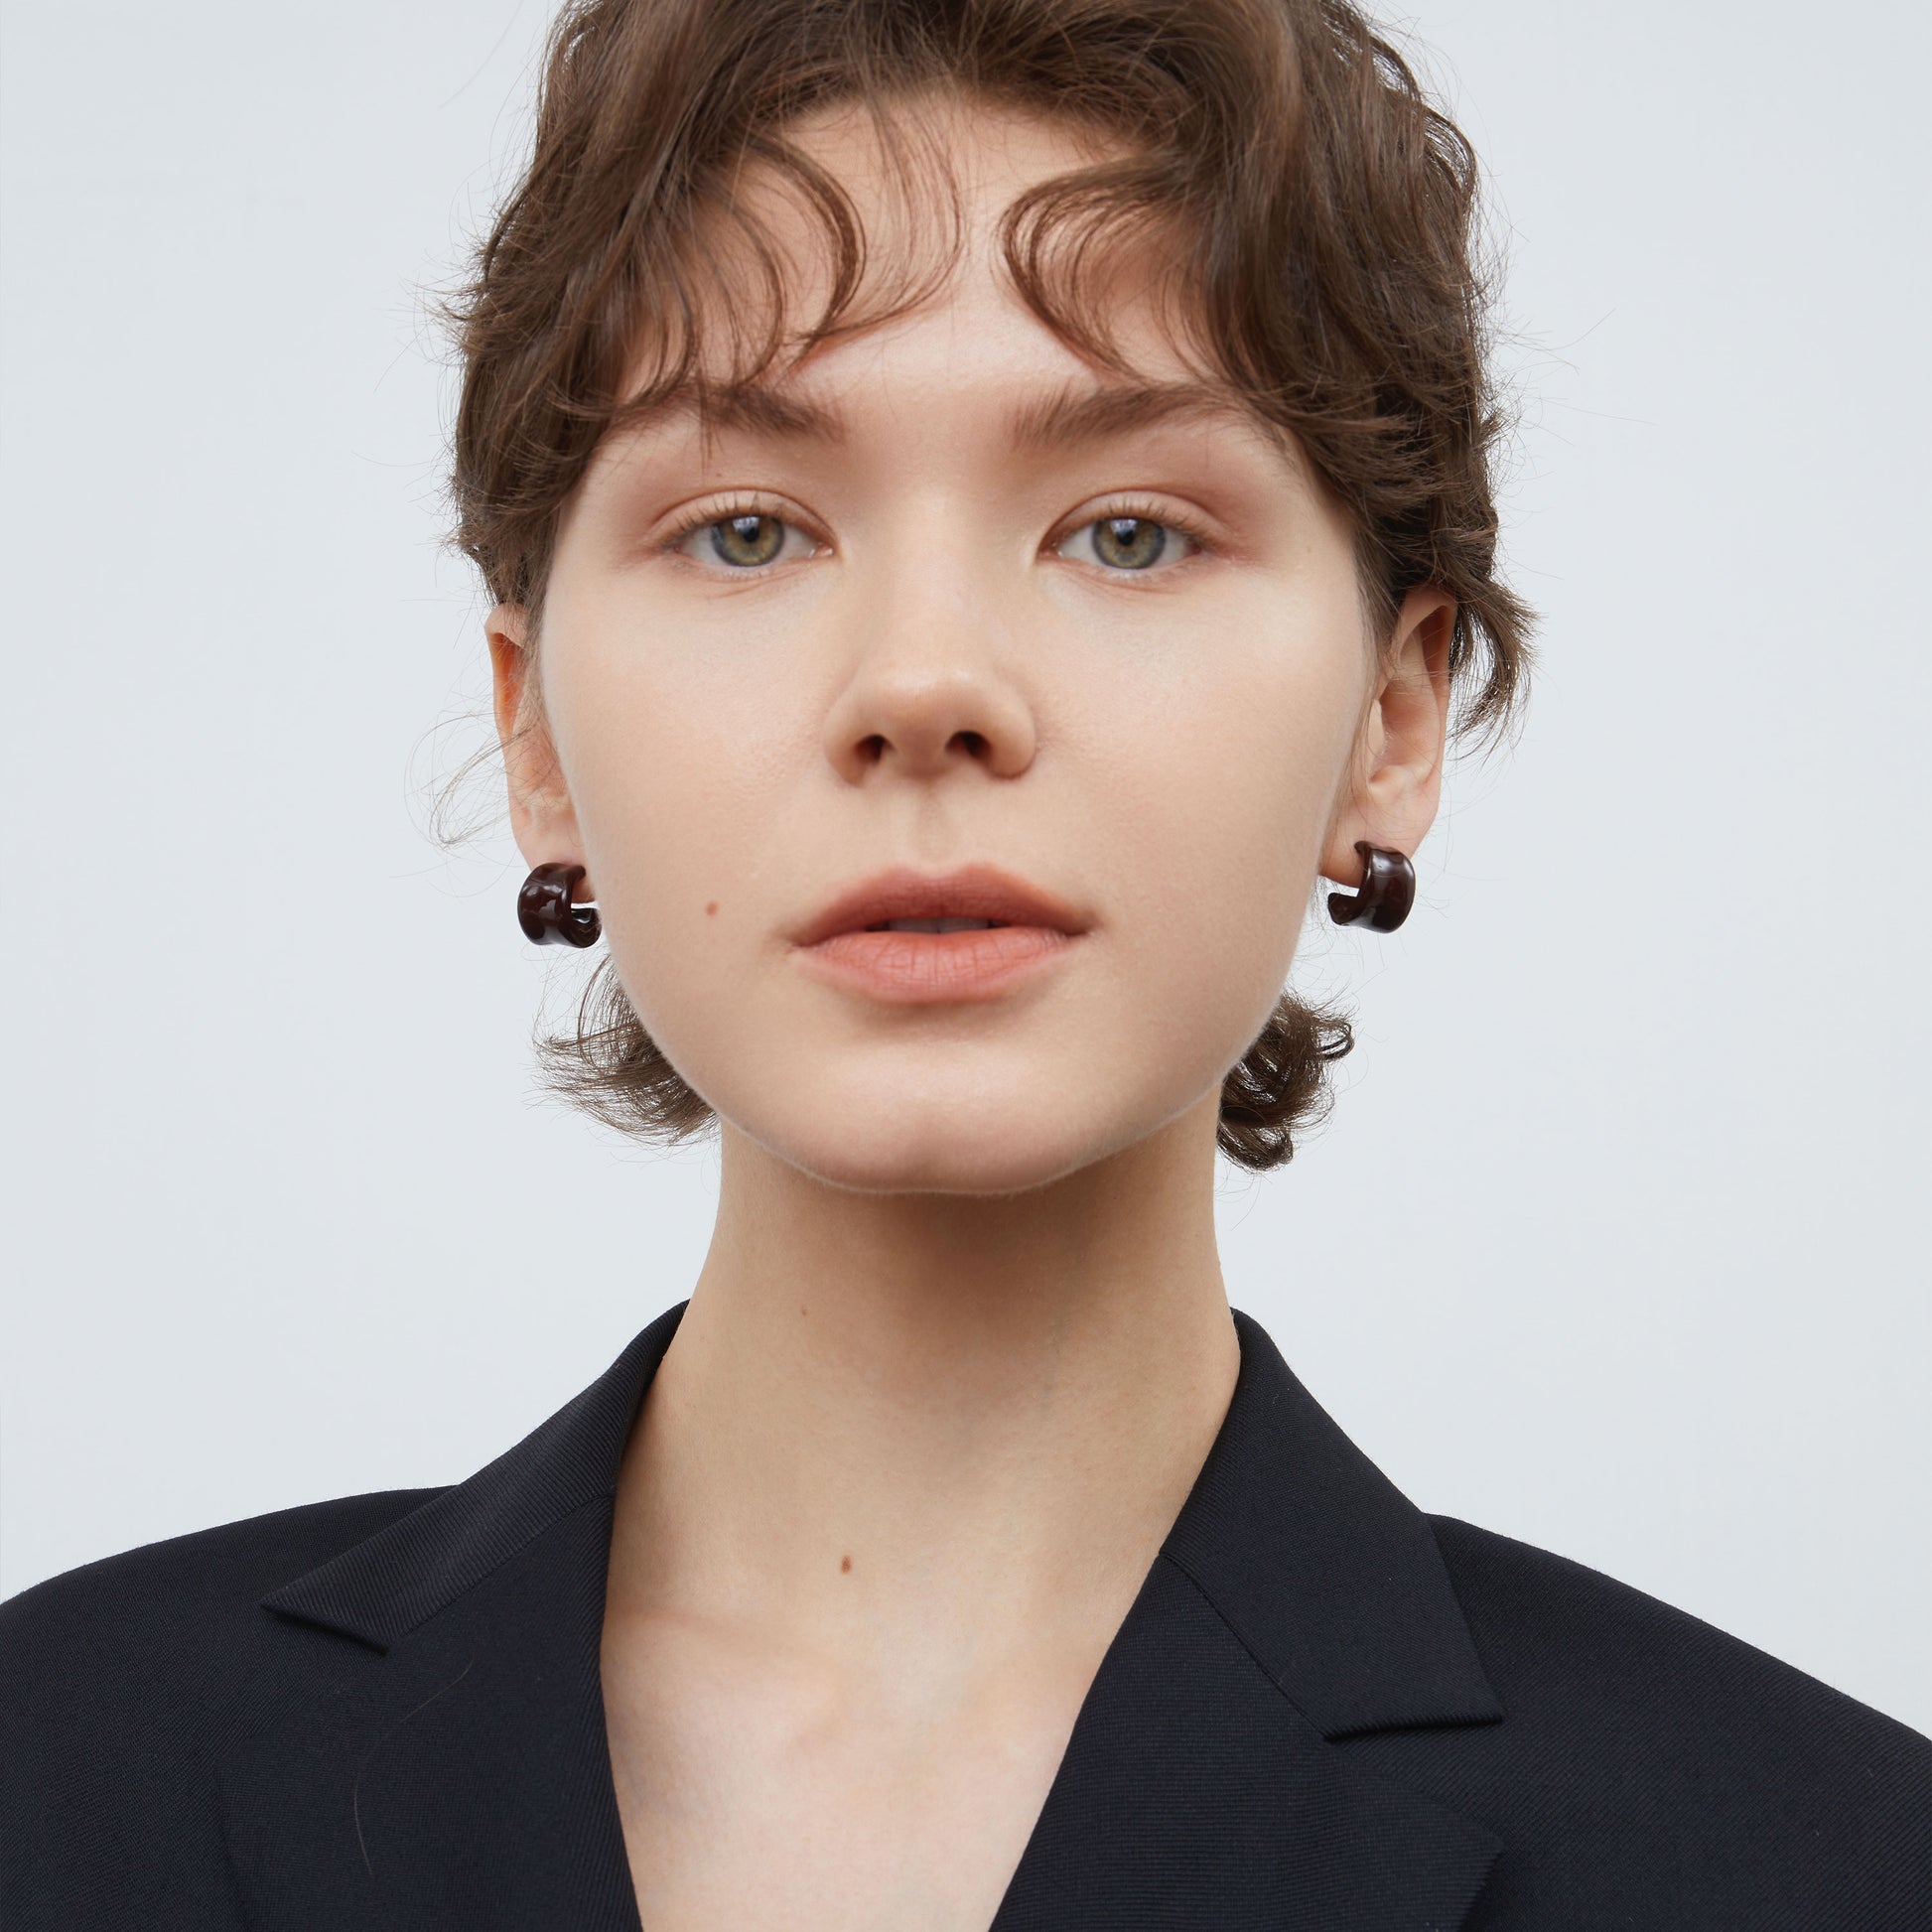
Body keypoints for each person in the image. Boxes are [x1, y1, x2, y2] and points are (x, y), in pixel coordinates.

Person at [4, 0, 1927, 1925]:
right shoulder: (58, 1773)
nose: (926, 685)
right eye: (747, 528)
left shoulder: (1824, 1863)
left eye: (1129, 532)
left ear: (1393, 715)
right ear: (531, 735)